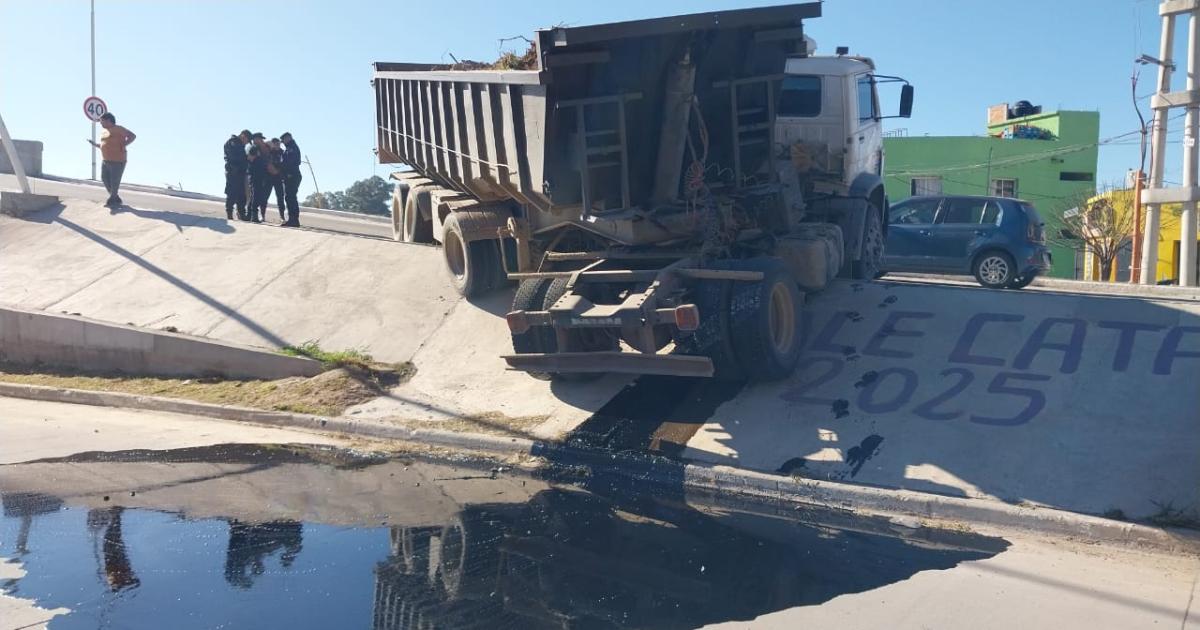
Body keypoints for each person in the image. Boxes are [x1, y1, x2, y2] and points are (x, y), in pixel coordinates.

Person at [89, 112, 135, 207]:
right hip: (105, 160)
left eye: (102, 121)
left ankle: (112, 200)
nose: (101, 123)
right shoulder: (104, 131)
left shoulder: (119, 129)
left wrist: (124, 144)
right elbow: (104, 145)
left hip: (118, 160)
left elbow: (132, 136)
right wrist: (95, 144)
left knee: (114, 181)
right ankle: (115, 197)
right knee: (104, 179)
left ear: (108, 120)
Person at [223, 130, 251, 220]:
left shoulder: (240, 145)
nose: (246, 143)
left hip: (240, 173)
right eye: (247, 140)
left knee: (241, 194)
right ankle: (229, 213)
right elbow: (233, 157)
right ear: (243, 136)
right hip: (233, 172)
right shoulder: (233, 143)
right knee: (232, 192)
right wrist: (243, 161)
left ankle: (241, 213)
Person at [247, 132, 271, 223]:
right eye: (259, 139)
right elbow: (250, 159)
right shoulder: (253, 148)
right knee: (256, 195)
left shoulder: (263, 149)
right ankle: (254, 215)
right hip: (255, 174)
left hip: (261, 175)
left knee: (258, 195)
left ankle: (251, 215)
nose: (261, 140)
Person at [280, 132, 302, 227]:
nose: (283, 142)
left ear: (288, 138)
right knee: (289, 197)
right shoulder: (290, 148)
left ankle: (294, 219)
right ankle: (293, 219)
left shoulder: (292, 148)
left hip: (292, 175)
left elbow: (293, 162)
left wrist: (289, 173)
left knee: (290, 197)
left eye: (284, 140)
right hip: (290, 175)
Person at [267, 138, 286, 222]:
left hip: (279, 177)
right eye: (275, 144)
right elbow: (266, 162)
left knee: (280, 197)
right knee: (265, 195)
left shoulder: (283, 153)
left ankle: (282, 216)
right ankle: (262, 214)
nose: (277, 145)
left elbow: (285, 164)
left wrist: (278, 170)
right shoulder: (269, 152)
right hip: (269, 177)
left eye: (278, 144)